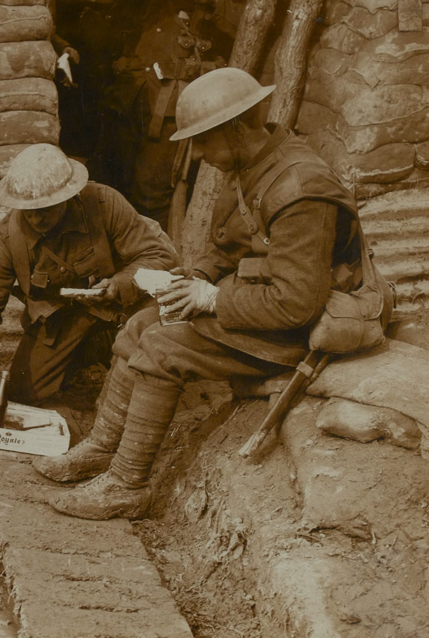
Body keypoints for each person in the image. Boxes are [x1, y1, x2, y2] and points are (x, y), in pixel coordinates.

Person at [36, 67, 388, 519]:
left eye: (203, 141)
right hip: (261, 304)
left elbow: (297, 304)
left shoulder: (300, 189)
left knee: (162, 346)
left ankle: (127, 486)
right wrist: (192, 275)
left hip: (307, 325)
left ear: (237, 130)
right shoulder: (250, 166)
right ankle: (104, 448)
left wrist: (211, 300)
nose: (199, 154)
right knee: (142, 322)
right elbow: (228, 246)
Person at [0, 143, 178, 425]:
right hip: (61, 321)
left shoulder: (104, 204)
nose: (37, 218)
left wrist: (120, 284)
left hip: (121, 308)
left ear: (68, 196)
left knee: (144, 371)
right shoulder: (7, 239)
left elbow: (158, 256)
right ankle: (85, 369)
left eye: (46, 209)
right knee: (24, 394)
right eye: (29, 210)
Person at [93, 0, 235, 230]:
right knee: (116, 178)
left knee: (152, 192)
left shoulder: (214, 12)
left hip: (168, 112)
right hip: (129, 101)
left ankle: (153, 249)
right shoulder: (151, 10)